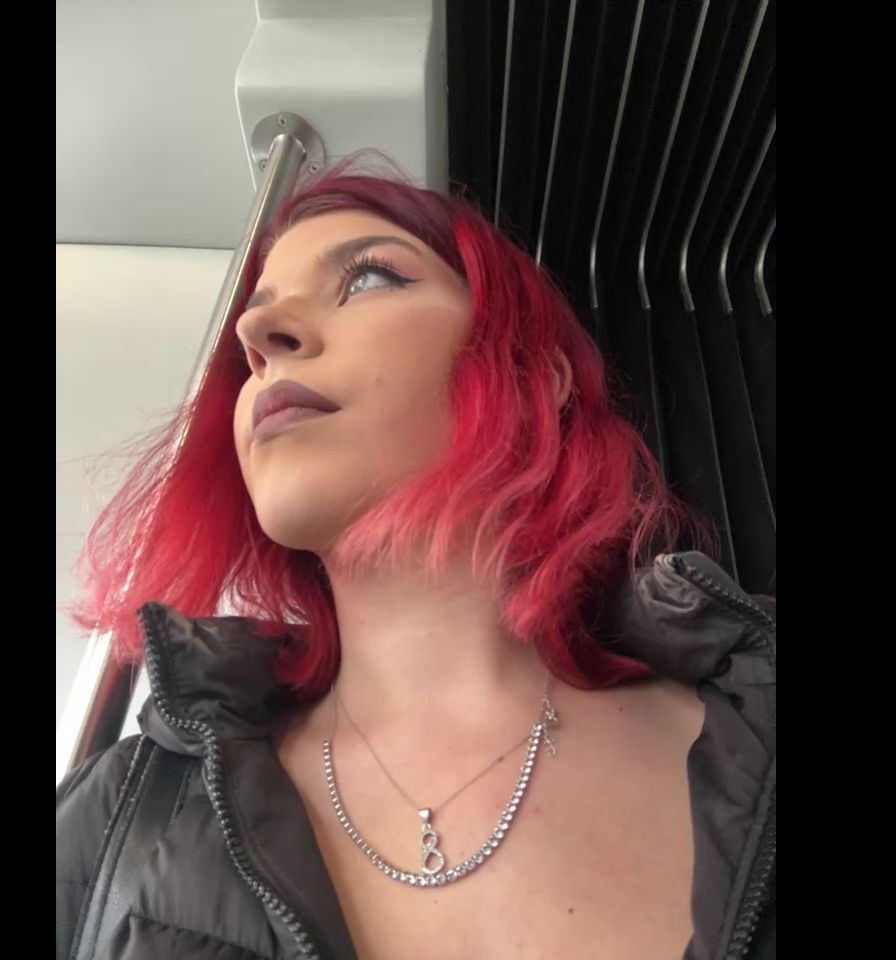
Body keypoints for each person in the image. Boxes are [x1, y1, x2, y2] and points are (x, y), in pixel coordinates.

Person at [57, 152, 775, 960]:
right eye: (255, 323)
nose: (257, 338)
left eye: (367, 279)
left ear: (537, 377)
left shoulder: (759, 723)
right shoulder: (111, 823)